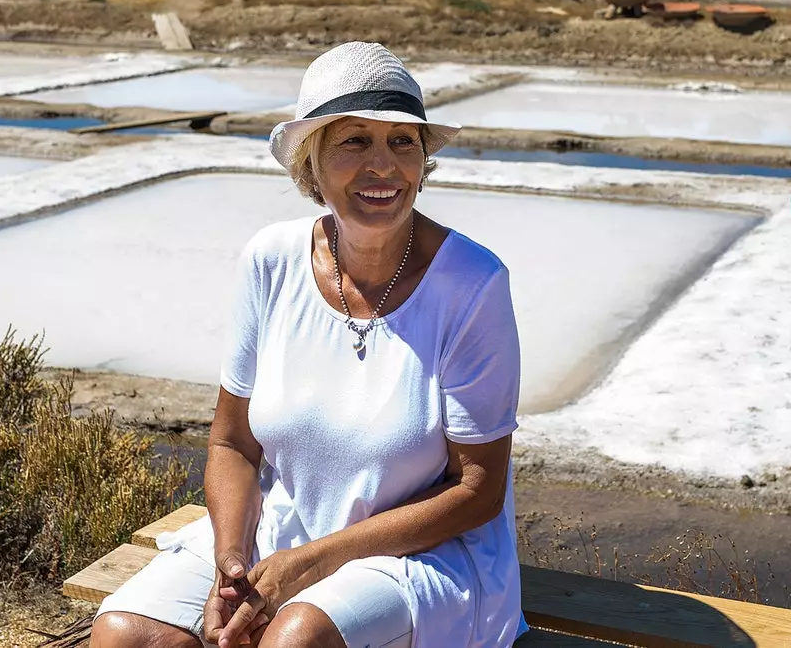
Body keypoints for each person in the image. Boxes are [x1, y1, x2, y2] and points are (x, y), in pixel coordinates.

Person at [93, 41, 525, 648]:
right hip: (281, 534)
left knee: (297, 638)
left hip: (421, 555)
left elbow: (476, 491)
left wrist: (314, 564)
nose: (384, 166)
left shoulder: (473, 284)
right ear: (310, 161)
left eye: (403, 141)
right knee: (122, 634)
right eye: (354, 140)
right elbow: (233, 440)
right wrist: (231, 565)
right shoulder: (272, 260)